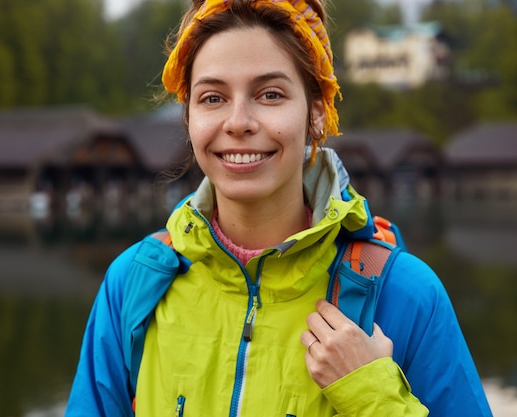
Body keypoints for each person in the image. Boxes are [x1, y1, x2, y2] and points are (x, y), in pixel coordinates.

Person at [65, 0, 493, 416]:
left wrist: (373, 396)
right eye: (212, 98)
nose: (238, 122)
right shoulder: (135, 285)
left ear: (317, 114)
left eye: (269, 94)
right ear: (189, 118)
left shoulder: (406, 295)